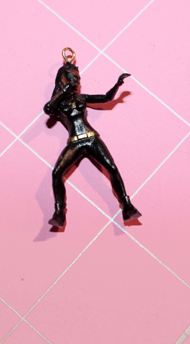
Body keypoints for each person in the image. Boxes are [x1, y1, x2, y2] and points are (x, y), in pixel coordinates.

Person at [44, 50, 141, 227]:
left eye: (78, 78)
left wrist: (117, 85)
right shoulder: (59, 103)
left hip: (92, 138)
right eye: (72, 77)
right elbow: (48, 109)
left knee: (111, 167)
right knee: (57, 173)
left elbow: (105, 98)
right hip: (74, 142)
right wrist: (63, 92)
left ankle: (126, 205)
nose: (76, 81)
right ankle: (59, 212)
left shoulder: (81, 98)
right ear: (64, 78)